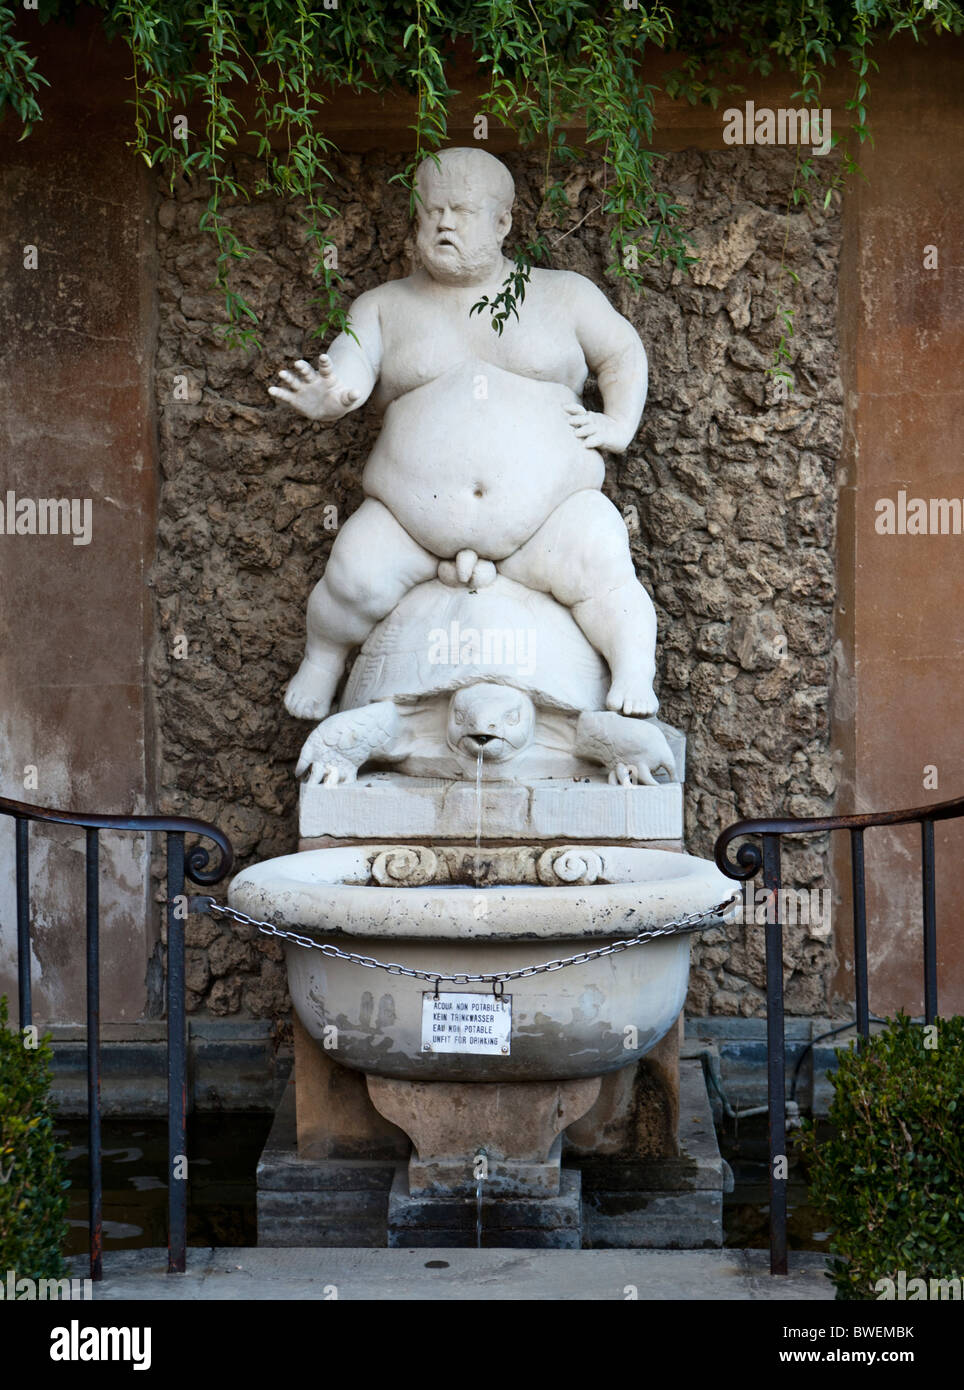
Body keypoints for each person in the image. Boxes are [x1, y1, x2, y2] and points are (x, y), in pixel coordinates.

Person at [270, 147, 658, 721]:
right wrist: (331, 399)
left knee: (602, 563)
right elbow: (347, 367)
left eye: (461, 211)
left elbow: (622, 353)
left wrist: (619, 424)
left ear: (503, 222)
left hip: (551, 518)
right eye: (431, 212)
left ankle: (633, 671)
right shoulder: (384, 306)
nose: (444, 223)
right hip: (409, 524)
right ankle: (323, 660)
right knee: (351, 576)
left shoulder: (564, 295)